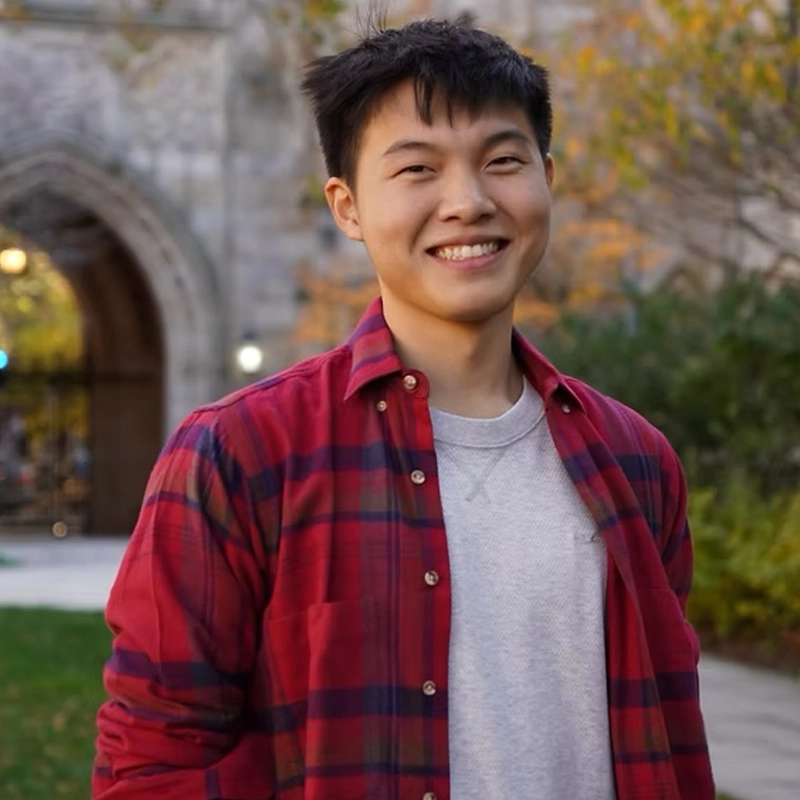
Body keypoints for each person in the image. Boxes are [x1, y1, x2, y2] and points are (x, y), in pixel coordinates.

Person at [93, 16, 715, 800]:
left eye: (502, 161)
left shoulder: (636, 460)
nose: (469, 201)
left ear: (548, 178)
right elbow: (153, 763)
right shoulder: (242, 455)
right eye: (418, 169)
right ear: (347, 207)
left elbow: (669, 734)